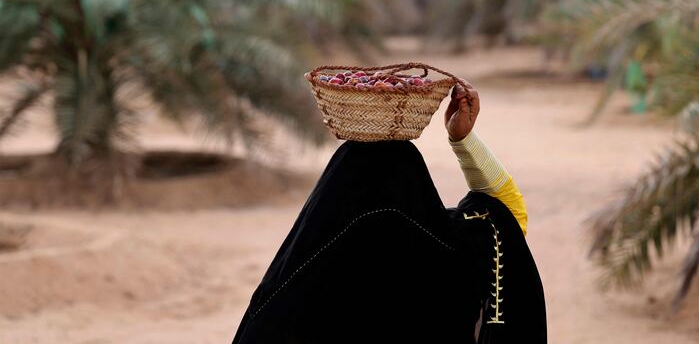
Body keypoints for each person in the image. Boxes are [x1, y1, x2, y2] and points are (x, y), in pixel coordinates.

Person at [231, 81, 547, 343]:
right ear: (417, 187)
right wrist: (462, 139)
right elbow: (507, 213)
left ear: (330, 195)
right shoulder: (450, 259)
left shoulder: (296, 283)